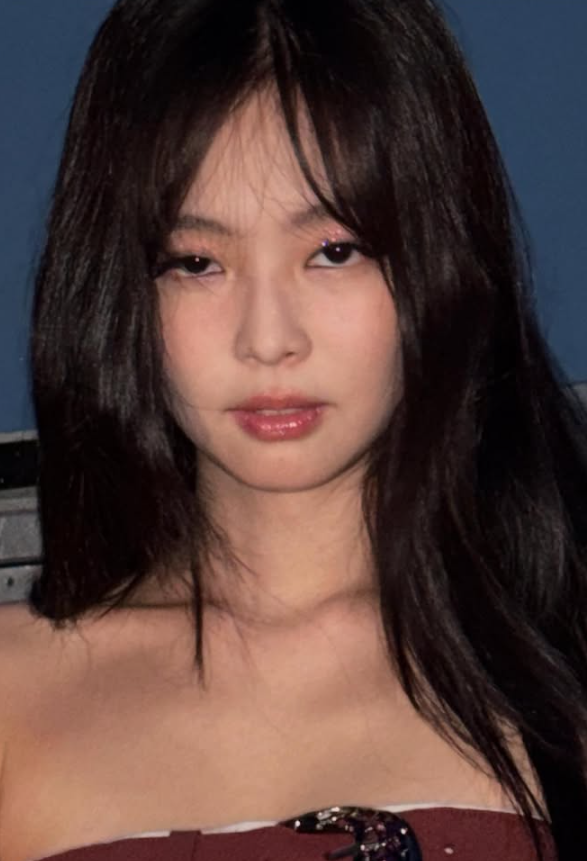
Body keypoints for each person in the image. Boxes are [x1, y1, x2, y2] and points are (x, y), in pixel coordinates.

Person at [0, 0, 586, 858]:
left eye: (333, 251)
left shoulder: (560, 667)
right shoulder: (15, 695)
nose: (268, 337)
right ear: (120, 290)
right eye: (198, 263)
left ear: (437, 258)